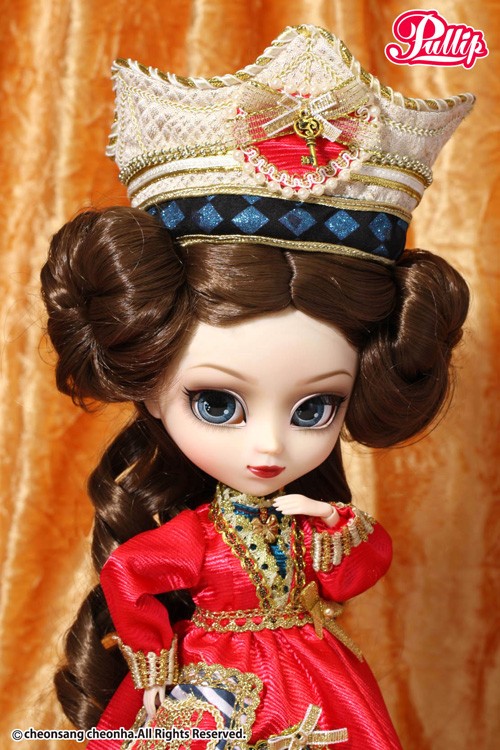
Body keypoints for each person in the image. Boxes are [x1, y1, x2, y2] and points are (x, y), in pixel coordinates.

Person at [41, 24, 473, 750]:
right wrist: (155, 667)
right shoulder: (195, 540)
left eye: (315, 407)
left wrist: (331, 521)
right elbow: (132, 575)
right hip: (209, 688)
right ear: (150, 389)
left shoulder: (307, 527)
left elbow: (356, 570)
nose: (268, 447)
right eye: (217, 404)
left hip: (314, 674)